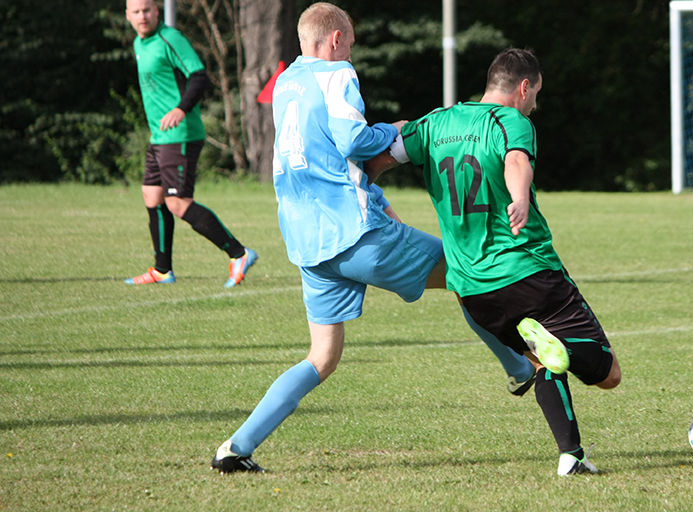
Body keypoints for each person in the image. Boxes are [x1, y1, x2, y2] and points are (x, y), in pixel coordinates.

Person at [209, 3, 534, 474]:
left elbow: (323, 155)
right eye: (352, 41)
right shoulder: (337, 74)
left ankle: (236, 448)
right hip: (356, 235)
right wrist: (394, 129)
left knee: (321, 358)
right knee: (466, 272)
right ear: (337, 39)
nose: (352, 50)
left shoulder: (286, 83)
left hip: (307, 242)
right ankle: (520, 368)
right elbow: (354, 142)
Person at [385, 48, 622, 476]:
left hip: (473, 290)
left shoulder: (437, 122)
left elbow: (385, 152)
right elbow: (515, 160)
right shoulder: (512, 121)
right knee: (609, 375)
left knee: (541, 361)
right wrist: (518, 197)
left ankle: (572, 456)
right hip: (527, 271)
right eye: (536, 95)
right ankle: (561, 348)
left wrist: (360, 192)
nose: (535, 104)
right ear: (524, 86)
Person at [124, 0, 257, 287]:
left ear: (156, 11)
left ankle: (239, 253)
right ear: (128, 15)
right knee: (152, 196)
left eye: (147, 10)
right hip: (159, 137)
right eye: (136, 12)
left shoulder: (170, 38)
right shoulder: (139, 43)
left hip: (180, 135)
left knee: (178, 203)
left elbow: (198, 76)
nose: (142, 16)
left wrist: (181, 109)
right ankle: (162, 271)